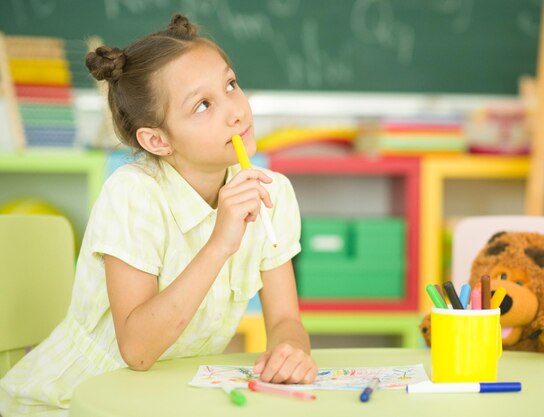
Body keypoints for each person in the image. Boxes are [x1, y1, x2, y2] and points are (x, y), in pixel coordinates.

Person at [0, 14, 317, 417]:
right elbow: (137, 350)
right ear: (157, 140)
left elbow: (286, 319)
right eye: (203, 105)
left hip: (160, 401)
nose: (236, 111)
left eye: (231, 85)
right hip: (66, 401)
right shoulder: (134, 194)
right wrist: (220, 244)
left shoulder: (273, 193)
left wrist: (291, 351)